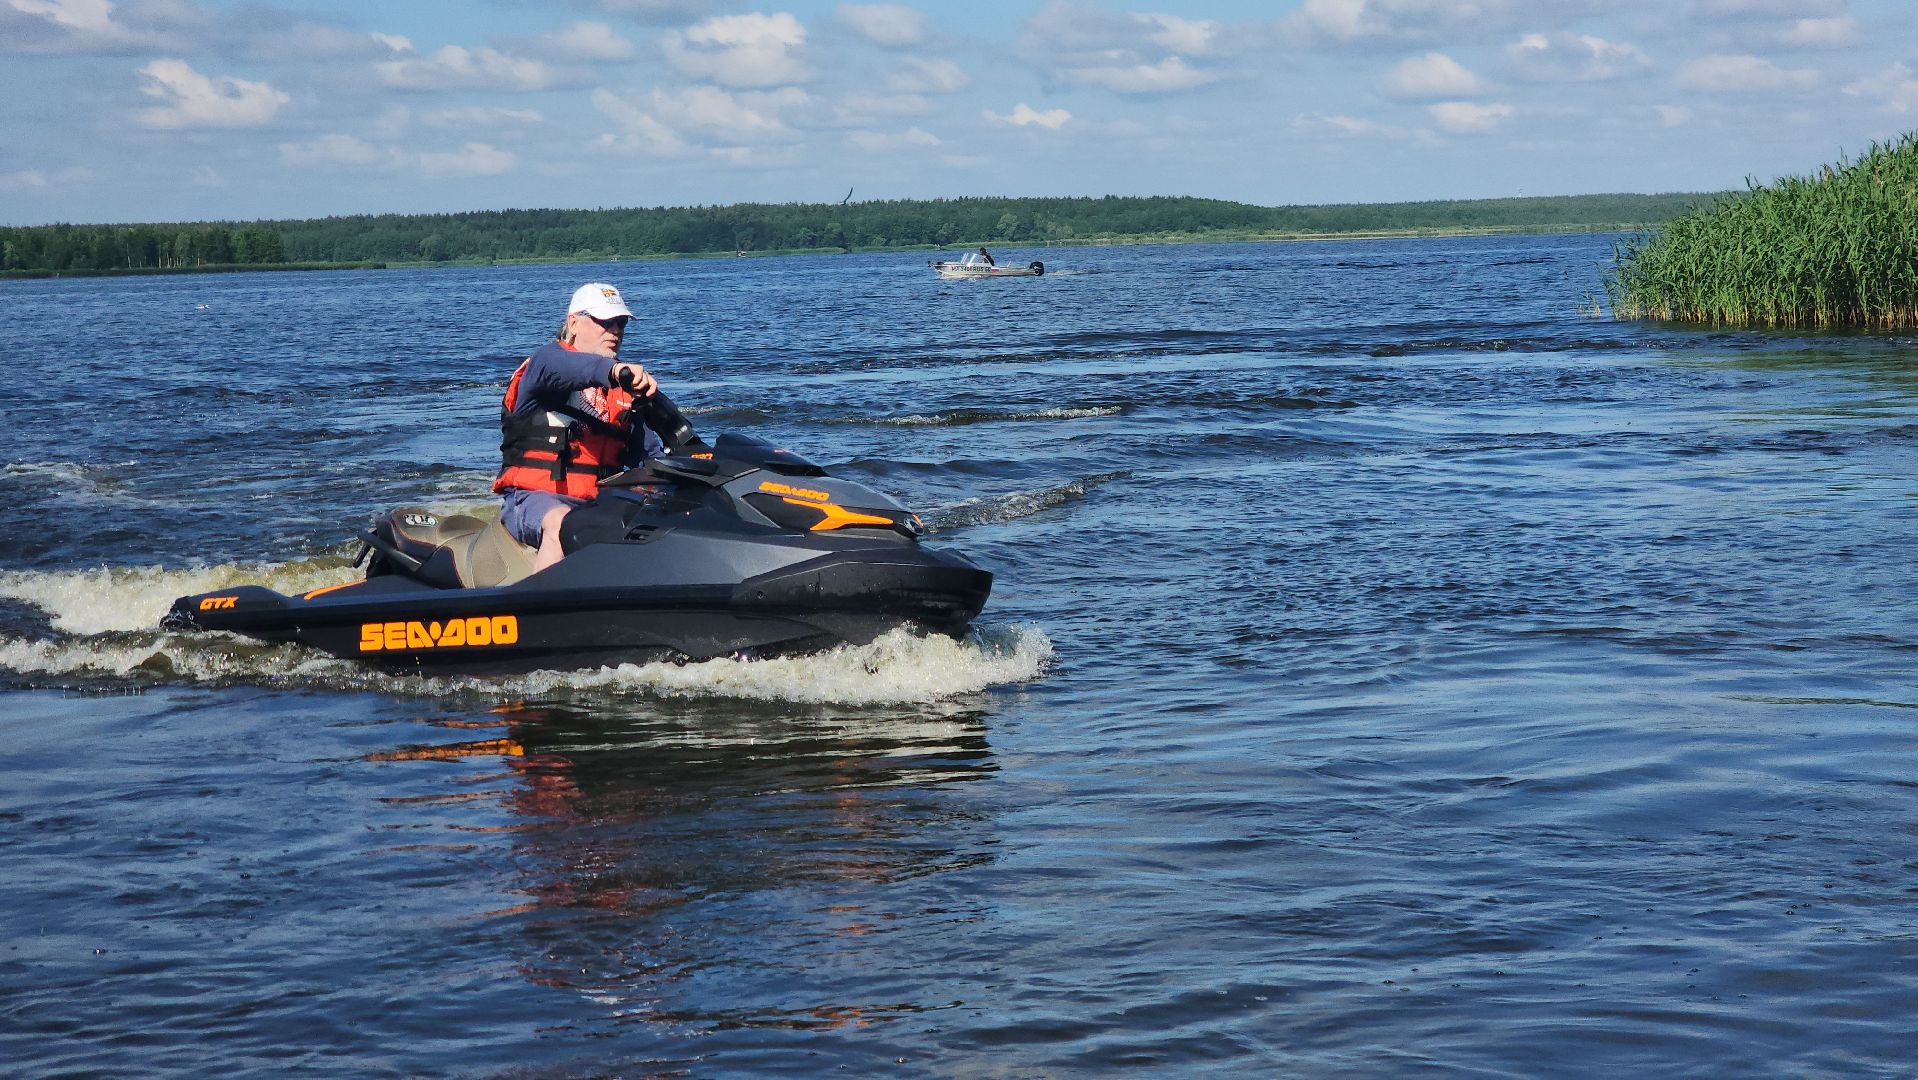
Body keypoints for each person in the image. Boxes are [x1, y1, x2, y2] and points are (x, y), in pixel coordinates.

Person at [493, 282, 663, 571]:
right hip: (534, 501)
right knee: (563, 523)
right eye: (604, 321)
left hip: (599, 505)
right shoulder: (545, 365)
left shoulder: (621, 392)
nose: (615, 330)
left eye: (620, 322)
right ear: (573, 323)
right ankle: (541, 610)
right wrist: (616, 371)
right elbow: (570, 367)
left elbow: (653, 457)